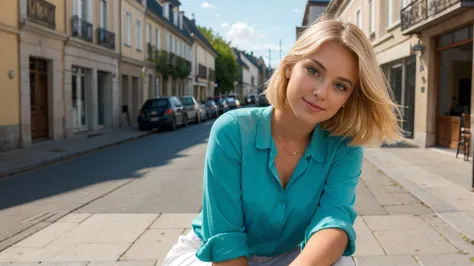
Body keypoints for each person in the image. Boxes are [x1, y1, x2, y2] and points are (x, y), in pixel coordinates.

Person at [163, 15, 402, 266]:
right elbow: (225, 240)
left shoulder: (344, 147)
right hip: (208, 253)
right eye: (313, 71)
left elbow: (334, 222)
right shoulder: (232, 130)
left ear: (348, 98)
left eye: (340, 86)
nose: (321, 92)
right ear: (289, 66)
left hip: (290, 255)